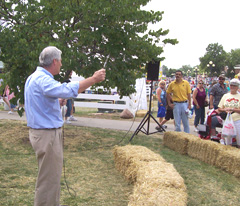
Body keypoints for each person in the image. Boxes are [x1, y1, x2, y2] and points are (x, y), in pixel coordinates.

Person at [24, 46, 106, 206]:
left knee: (49, 177)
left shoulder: (34, 77)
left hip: (43, 134)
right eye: (60, 61)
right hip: (47, 135)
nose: (61, 64)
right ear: (54, 61)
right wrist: (93, 79)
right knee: (49, 179)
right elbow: (66, 89)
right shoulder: (43, 80)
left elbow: (41, 101)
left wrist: (56, 101)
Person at [218, 79, 240, 147]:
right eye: (231, 85)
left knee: (239, 138)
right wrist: (225, 110)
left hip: (237, 120)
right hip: (227, 120)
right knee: (228, 139)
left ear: (238, 87)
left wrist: (233, 109)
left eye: (235, 86)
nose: (233, 87)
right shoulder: (225, 96)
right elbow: (219, 108)